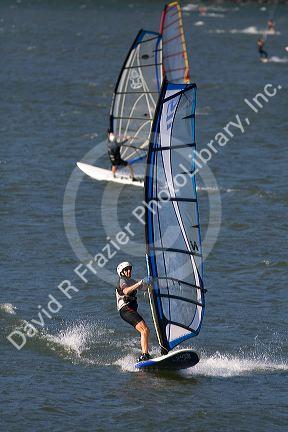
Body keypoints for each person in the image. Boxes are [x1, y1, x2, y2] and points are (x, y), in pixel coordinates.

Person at [116, 261, 151, 362]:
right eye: (126, 270)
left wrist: (150, 284)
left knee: (146, 330)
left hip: (131, 310)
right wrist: (140, 282)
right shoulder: (122, 281)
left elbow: (145, 288)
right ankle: (144, 355)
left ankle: (145, 353)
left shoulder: (131, 281)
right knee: (144, 330)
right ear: (121, 272)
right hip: (126, 310)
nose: (129, 271)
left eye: (130, 269)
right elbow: (126, 291)